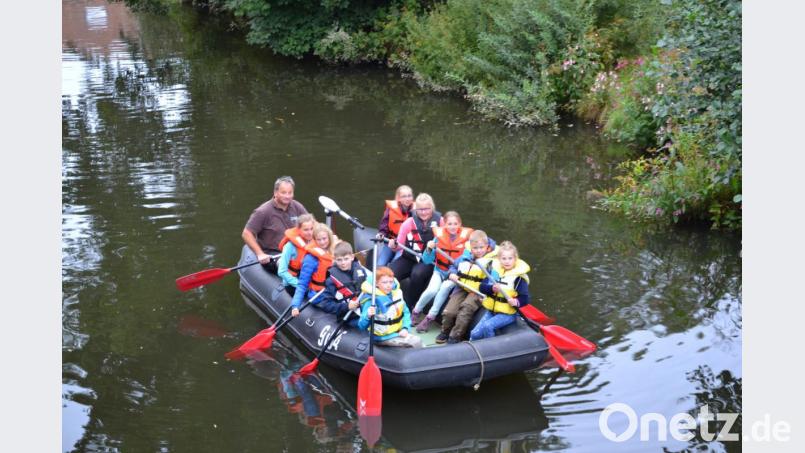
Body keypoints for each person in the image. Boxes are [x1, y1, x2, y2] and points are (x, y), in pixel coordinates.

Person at [411, 211, 474, 332]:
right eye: (449, 224)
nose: (452, 226)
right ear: (444, 224)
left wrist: (456, 273)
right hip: (439, 271)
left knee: (444, 289)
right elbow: (426, 260)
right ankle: (416, 311)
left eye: (455, 224)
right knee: (431, 290)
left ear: (460, 224)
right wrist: (429, 249)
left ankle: (429, 318)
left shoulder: (467, 241)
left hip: (455, 275)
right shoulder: (438, 238)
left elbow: (466, 259)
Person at [436, 230, 497, 344]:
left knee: (465, 309)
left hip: (477, 291)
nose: (478, 251)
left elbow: (491, 280)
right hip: (461, 287)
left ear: (487, 247)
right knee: (449, 312)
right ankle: (445, 331)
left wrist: (486, 292)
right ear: (471, 247)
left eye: (481, 247)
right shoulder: (465, 257)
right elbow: (453, 267)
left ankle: (455, 337)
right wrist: (452, 274)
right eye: (475, 248)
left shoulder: (490, 262)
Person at [242, 176, 308, 273]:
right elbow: (246, 233)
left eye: (290, 193)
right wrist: (260, 254)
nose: (287, 196)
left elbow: (312, 225)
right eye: (283, 192)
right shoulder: (263, 211)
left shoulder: (296, 206)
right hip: (274, 255)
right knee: (294, 268)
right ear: (275, 193)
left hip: (295, 250)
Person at [387, 193, 443, 306]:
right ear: (415, 209)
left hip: (428, 260)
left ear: (431, 208)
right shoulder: (408, 223)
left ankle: (410, 305)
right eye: (420, 209)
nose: (423, 212)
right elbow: (398, 246)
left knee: (417, 274)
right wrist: (393, 245)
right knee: (389, 272)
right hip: (409, 257)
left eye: (426, 209)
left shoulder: (440, 222)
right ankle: (388, 300)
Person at [470, 241, 531, 341]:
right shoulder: (494, 272)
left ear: (515, 259)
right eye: (504, 258)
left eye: (510, 258)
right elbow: (481, 287)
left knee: (488, 326)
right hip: (492, 311)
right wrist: (491, 289)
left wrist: (516, 302)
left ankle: (490, 349)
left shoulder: (519, 279)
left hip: (508, 314)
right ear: (499, 259)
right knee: (474, 334)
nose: (507, 261)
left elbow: (526, 298)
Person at [357, 266, 423, 348]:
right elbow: (361, 325)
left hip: (398, 332)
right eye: (384, 282)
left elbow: (405, 313)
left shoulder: (396, 294)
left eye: (391, 282)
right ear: (377, 283)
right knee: (416, 342)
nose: (388, 285)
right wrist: (368, 315)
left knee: (418, 341)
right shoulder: (371, 300)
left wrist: (405, 328)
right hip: (381, 337)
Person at [290, 223, 337, 317]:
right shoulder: (310, 259)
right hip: (320, 296)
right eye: (319, 240)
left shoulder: (334, 252)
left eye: (324, 238)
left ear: (329, 238)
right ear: (314, 240)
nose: (322, 242)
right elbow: (302, 284)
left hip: (335, 292)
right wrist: (295, 306)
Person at [317, 241, 367, 325]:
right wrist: (347, 306)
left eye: (346, 259)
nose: (343, 263)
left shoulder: (360, 270)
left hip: (365, 311)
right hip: (349, 316)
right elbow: (325, 305)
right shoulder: (331, 280)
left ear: (352, 257)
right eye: (339, 260)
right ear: (335, 259)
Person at [375, 185, 414, 266]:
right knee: (380, 264)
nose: (407, 199)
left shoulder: (416, 211)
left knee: (395, 264)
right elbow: (384, 224)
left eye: (409, 196)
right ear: (398, 198)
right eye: (404, 196)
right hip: (390, 241)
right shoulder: (391, 209)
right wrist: (381, 234)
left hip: (404, 245)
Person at [277, 214, 317, 293]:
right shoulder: (290, 246)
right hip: (293, 283)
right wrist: (300, 285)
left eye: (312, 229)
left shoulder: (315, 241)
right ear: (298, 230)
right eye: (306, 230)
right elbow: (281, 271)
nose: (310, 233)